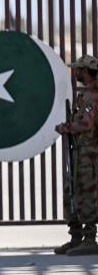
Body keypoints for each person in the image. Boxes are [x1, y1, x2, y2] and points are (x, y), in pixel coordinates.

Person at [54, 55, 98, 256]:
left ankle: (90, 238)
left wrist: (67, 127)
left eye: (79, 70)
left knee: (86, 195)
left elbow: (86, 124)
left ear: (86, 72)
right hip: (80, 154)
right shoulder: (86, 94)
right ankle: (76, 236)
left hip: (89, 156)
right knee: (71, 192)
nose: (76, 73)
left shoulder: (92, 96)